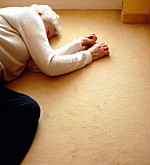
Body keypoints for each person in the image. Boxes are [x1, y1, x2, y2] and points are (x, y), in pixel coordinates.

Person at [0, 4, 110, 164]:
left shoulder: (20, 43)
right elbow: (50, 65)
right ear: (39, 14)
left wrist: (78, 44)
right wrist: (88, 56)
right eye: (46, 32)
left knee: (26, 109)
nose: (44, 39)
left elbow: (42, 62)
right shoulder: (28, 15)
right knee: (26, 109)